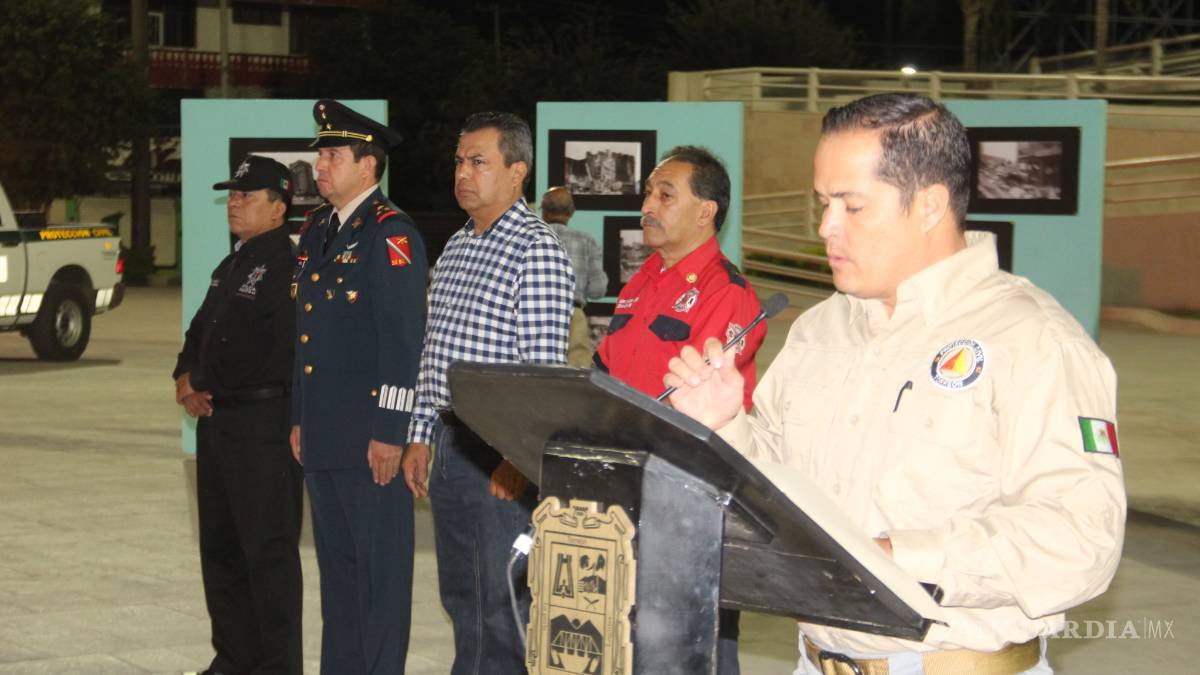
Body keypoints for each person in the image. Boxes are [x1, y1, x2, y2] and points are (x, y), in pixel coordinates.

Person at [664, 93, 1126, 675]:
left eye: (851, 206)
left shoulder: (1033, 340)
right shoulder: (819, 329)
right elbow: (777, 486)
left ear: (930, 204)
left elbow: (1082, 538)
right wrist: (725, 425)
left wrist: (899, 558)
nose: (826, 226)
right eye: (823, 203)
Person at [401, 112, 574, 675]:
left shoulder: (536, 250)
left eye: (479, 161)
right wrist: (421, 436)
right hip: (452, 446)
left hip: (498, 455)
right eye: (459, 161)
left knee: (502, 604)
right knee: (463, 597)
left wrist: (517, 458)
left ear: (517, 171)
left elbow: (542, 373)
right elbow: (434, 355)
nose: (463, 173)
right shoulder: (455, 246)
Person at [593, 145, 765, 673]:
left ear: (706, 210)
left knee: (693, 655)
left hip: (685, 503)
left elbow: (693, 409)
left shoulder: (727, 293)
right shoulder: (642, 279)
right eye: (648, 192)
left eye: (666, 195)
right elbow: (607, 371)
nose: (649, 204)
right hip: (620, 496)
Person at [290, 99, 427, 675]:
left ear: (368, 166)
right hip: (324, 435)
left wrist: (391, 432)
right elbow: (307, 335)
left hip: (371, 440)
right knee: (340, 579)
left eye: (333, 154)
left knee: (380, 582)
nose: (319, 164)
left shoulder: (390, 234)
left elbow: (402, 342)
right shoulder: (319, 227)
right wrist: (301, 417)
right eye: (320, 153)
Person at [173, 154, 302, 675]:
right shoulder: (232, 264)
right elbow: (201, 330)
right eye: (232, 195)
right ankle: (233, 658)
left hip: (262, 428)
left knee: (266, 556)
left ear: (278, 207)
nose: (234, 203)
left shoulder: (289, 267)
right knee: (222, 550)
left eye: (246, 196)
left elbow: (272, 352)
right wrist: (184, 377)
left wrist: (207, 381)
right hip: (219, 425)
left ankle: (275, 667)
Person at [539, 185, 607, 366]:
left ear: (544, 211)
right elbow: (597, 290)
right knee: (576, 375)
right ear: (571, 212)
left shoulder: (528, 237)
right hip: (573, 313)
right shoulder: (587, 241)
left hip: (533, 313)